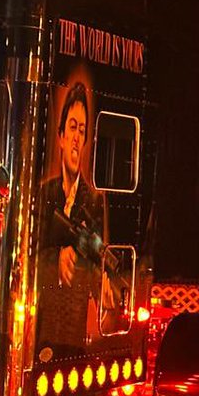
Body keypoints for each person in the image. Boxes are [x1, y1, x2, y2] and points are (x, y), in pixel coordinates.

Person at [38, 82, 118, 351]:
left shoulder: (94, 201)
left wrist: (103, 282)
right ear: (60, 136)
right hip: (41, 327)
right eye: (72, 127)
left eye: (82, 131)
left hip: (73, 333)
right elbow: (24, 259)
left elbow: (97, 259)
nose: (76, 138)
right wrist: (56, 259)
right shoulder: (42, 194)